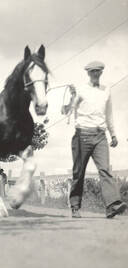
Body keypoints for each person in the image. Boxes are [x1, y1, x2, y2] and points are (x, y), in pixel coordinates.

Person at [63, 60, 127, 218]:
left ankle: (112, 205)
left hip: (100, 136)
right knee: (79, 172)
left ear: (101, 72)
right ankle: (75, 206)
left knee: (105, 169)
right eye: (92, 71)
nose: (95, 74)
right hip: (82, 135)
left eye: (98, 71)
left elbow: (109, 114)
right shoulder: (80, 90)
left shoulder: (106, 90)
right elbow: (66, 111)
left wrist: (113, 134)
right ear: (88, 73)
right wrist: (71, 98)